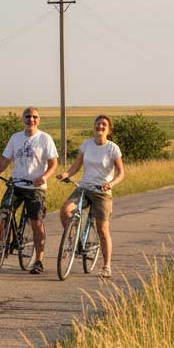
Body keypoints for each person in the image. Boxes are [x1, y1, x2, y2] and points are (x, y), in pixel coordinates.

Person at [0, 107, 59, 274]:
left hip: (35, 187)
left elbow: (53, 163)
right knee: (4, 213)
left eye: (34, 117)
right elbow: (5, 159)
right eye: (28, 116)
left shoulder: (45, 139)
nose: (31, 119)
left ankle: (38, 260)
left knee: (36, 223)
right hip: (16, 183)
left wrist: (44, 177)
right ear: (23, 119)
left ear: (38, 120)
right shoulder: (15, 138)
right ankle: (4, 244)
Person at [57, 114, 124, 278]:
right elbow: (76, 166)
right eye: (98, 124)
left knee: (102, 229)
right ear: (93, 127)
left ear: (108, 130)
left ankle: (106, 266)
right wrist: (66, 174)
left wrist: (111, 184)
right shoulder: (86, 144)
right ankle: (72, 240)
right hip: (84, 187)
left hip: (102, 192)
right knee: (65, 210)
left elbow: (121, 173)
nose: (100, 127)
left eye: (104, 125)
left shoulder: (112, 148)